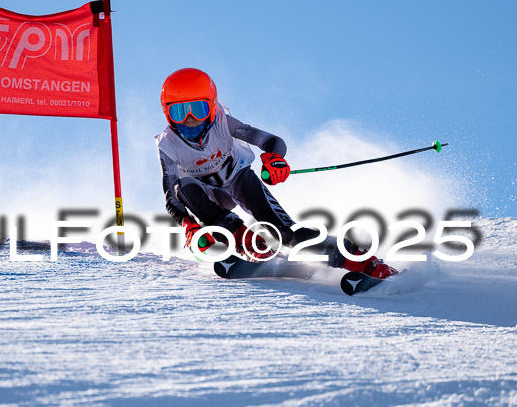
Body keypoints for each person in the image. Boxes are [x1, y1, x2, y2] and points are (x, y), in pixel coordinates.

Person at [155, 67, 397, 279]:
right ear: (167, 114)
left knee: (287, 234)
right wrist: (188, 225)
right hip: (207, 198)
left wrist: (274, 158)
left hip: (239, 180)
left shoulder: (222, 121)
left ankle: (362, 261)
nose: (189, 120)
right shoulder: (167, 145)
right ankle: (248, 242)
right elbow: (171, 197)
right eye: (179, 112)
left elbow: (271, 140)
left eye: (197, 109)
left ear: (211, 106)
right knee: (183, 187)